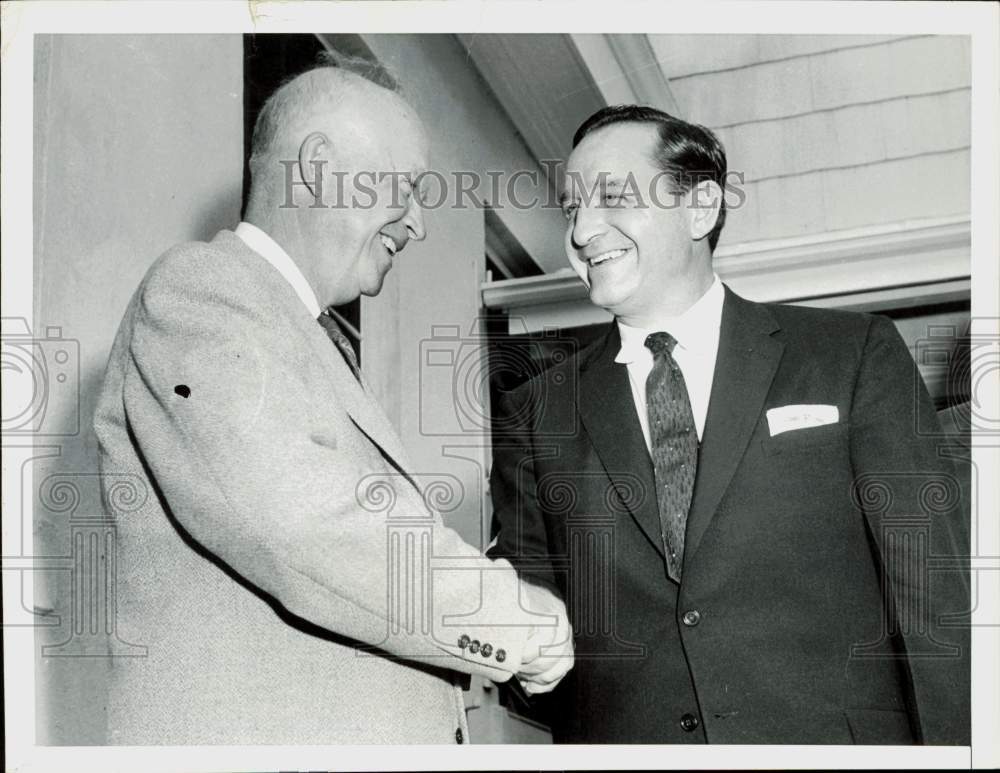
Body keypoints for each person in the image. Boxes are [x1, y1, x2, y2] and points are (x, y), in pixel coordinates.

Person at [93, 56, 572, 745]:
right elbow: (305, 522)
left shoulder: (297, 329)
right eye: (405, 189)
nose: (417, 224)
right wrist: (513, 617)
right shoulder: (202, 291)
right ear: (318, 167)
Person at [488, 105, 969, 744]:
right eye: (571, 208)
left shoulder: (851, 354)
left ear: (701, 206)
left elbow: (931, 595)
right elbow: (533, 634)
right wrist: (525, 648)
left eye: (611, 197)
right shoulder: (533, 413)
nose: (581, 231)